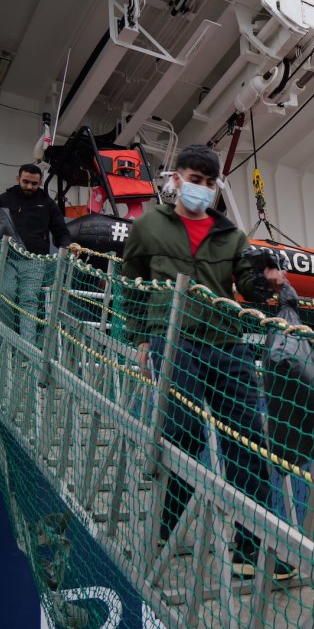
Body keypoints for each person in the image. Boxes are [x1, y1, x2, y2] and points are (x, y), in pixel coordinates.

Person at [122, 144, 293, 580]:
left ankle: (250, 547)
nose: (200, 188)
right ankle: (168, 524)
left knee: (248, 440)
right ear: (177, 179)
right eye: (194, 179)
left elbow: (248, 287)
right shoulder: (148, 227)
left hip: (226, 342)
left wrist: (268, 282)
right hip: (172, 338)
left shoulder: (231, 235)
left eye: (208, 182)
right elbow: (131, 285)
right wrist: (139, 338)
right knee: (185, 429)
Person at [0, 164, 75, 341]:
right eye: (25, 182)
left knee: (29, 300)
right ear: (18, 179)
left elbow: (61, 232)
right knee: (4, 294)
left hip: (35, 261)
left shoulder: (48, 204)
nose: (29, 186)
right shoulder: (4, 199)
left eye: (34, 184)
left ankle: (27, 347)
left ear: (40, 182)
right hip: (7, 258)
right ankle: (5, 341)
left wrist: (68, 246)